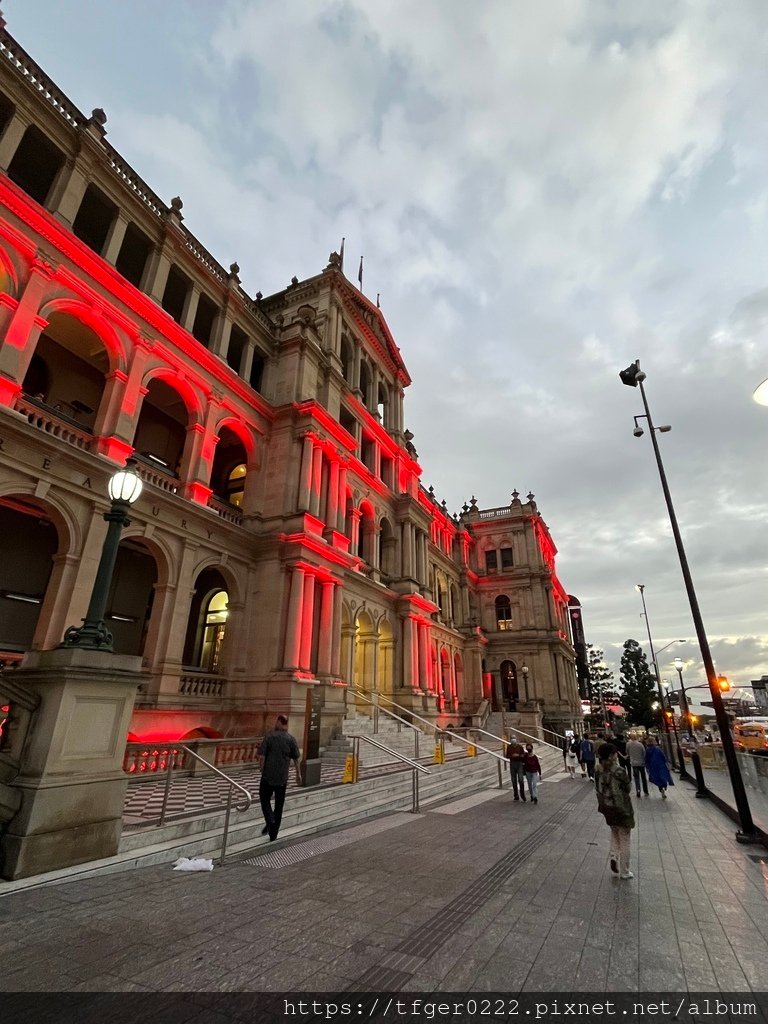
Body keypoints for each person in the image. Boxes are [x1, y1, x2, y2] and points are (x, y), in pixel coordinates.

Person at [595, 741, 635, 880]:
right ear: (612, 756)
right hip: (621, 808)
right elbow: (628, 788)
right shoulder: (619, 771)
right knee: (625, 839)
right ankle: (625, 870)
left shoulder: (598, 770)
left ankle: (614, 856)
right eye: (615, 753)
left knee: (614, 833)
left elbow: (597, 788)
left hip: (607, 807)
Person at [258, 714, 302, 841]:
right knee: (279, 805)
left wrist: (261, 768)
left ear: (278, 722)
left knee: (264, 798)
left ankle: (270, 819)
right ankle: (274, 834)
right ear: (286, 724)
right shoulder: (291, 739)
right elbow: (296, 759)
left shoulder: (270, 736)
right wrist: (298, 774)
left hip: (268, 775)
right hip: (282, 777)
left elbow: (262, 756)